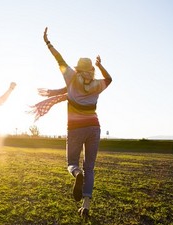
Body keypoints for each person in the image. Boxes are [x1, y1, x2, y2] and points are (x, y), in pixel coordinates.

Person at [31, 28, 112, 219]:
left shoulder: (71, 76)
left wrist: (47, 43)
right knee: (90, 167)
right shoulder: (97, 84)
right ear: (91, 69)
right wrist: (100, 66)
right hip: (94, 127)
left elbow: (58, 59)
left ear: (77, 68)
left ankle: (77, 174)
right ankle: (86, 205)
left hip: (75, 128)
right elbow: (110, 79)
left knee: (72, 163)